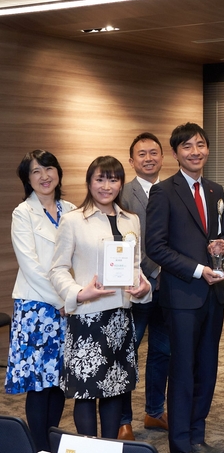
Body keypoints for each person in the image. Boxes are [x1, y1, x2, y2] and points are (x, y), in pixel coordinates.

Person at [49, 156, 151, 439]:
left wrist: (143, 288)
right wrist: (80, 293)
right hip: (88, 317)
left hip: (121, 317)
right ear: (89, 182)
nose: (107, 186)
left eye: (113, 180)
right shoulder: (73, 220)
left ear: (121, 183)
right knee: (86, 391)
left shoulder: (131, 219)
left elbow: (135, 266)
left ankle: (108, 445)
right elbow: (57, 269)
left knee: (115, 389)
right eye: (100, 179)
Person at [146, 122, 224, 453]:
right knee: (182, 371)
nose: (195, 152)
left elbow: (219, 235)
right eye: (187, 146)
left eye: (200, 145)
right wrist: (198, 270)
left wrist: (220, 247)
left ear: (208, 148)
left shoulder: (216, 190)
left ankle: (197, 435)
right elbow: (156, 246)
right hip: (182, 296)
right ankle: (180, 443)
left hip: (214, 295)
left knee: (207, 369)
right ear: (176, 153)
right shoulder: (164, 191)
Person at [5, 150, 75, 451]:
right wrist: (62, 299)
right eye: (35, 171)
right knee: (39, 383)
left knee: (59, 380)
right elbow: (31, 266)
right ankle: (39, 446)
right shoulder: (23, 213)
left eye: (48, 168)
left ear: (58, 172)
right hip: (37, 307)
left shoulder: (71, 210)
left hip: (69, 304)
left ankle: (51, 441)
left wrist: (72, 297)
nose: (44, 176)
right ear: (28, 179)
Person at [118, 132, 171, 440]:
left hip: (168, 288)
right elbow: (123, 242)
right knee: (129, 352)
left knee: (162, 351)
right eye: (142, 154)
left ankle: (154, 411)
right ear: (131, 161)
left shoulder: (172, 190)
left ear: (162, 157)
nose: (148, 158)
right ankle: (123, 420)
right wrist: (154, 269)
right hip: (136, 286)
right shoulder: (123, 194)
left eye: (153, 153)